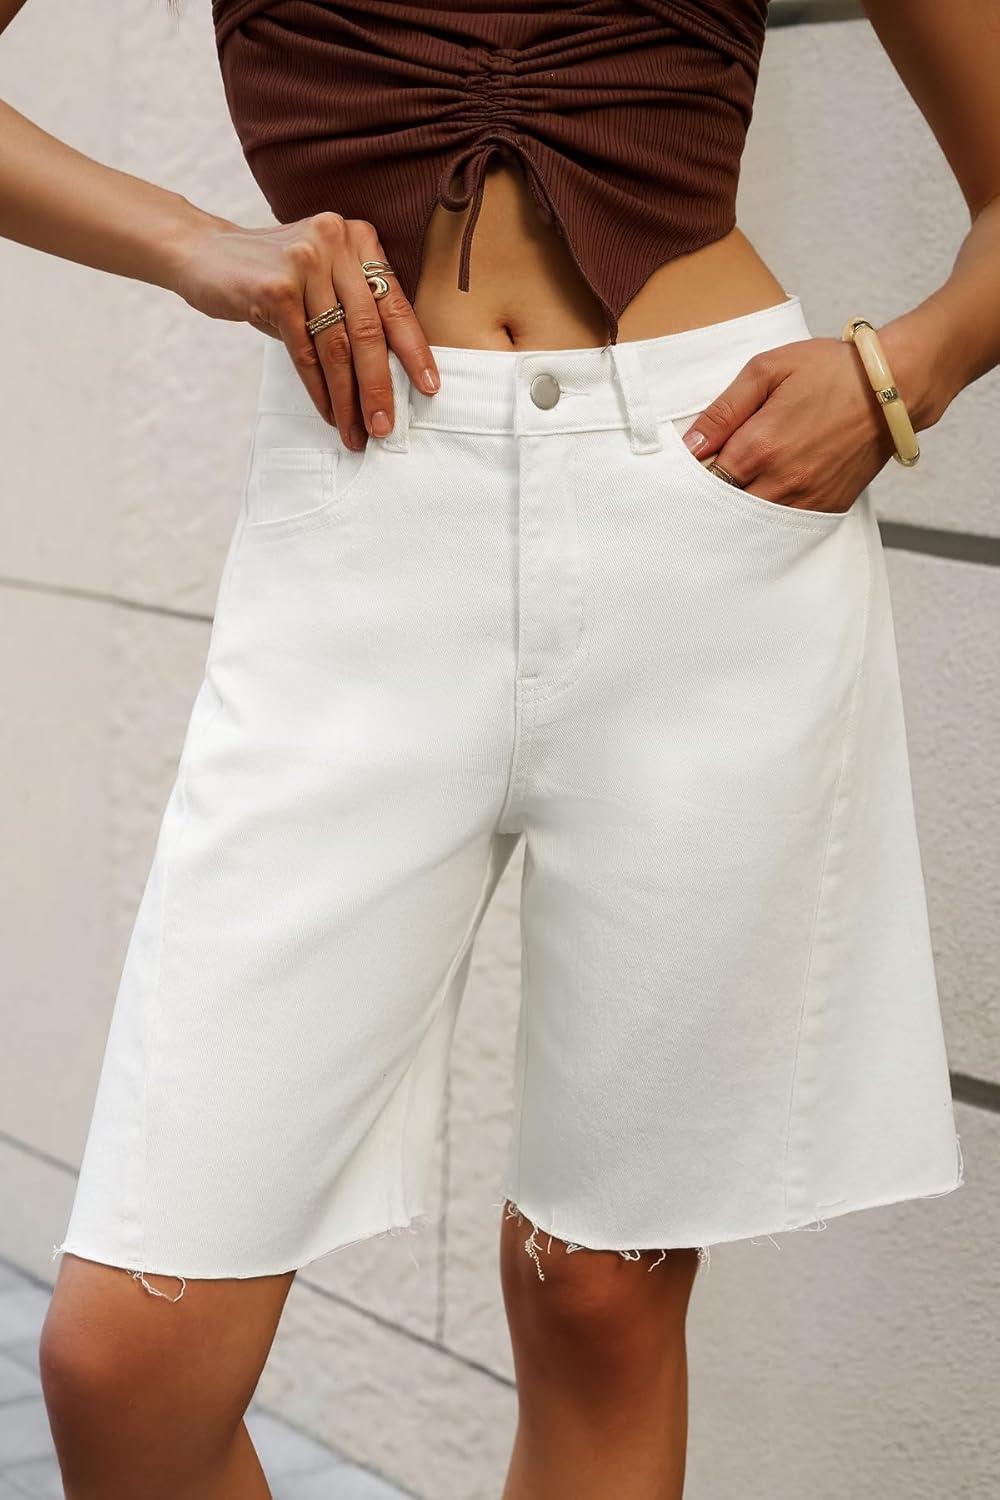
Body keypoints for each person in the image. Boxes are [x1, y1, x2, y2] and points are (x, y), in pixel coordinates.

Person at [2, 1, 993, 1495]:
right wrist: (193, 243)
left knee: (601, 1293)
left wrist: (902, 371)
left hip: (711, 515)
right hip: (365, 519)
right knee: (123, 1367)